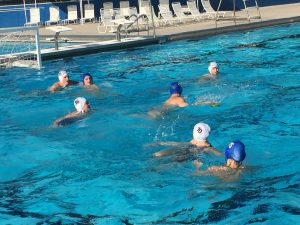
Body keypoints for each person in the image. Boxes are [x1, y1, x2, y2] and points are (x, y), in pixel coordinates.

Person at [152, 122, 222, 160]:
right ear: (208, 134)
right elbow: (220, 155)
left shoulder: (188, 143)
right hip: (194, 154)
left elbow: (173, 143)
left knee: (157, 155)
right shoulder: (208, 148)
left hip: (183, 148)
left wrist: (159, 143)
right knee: (174, 162)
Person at [148, 82, 218, 117]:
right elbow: (189, 106)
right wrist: (207, 102)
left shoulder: (168, 100)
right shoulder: (179, 99)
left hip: (154, 112)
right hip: (158, 115)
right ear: (181, 90)